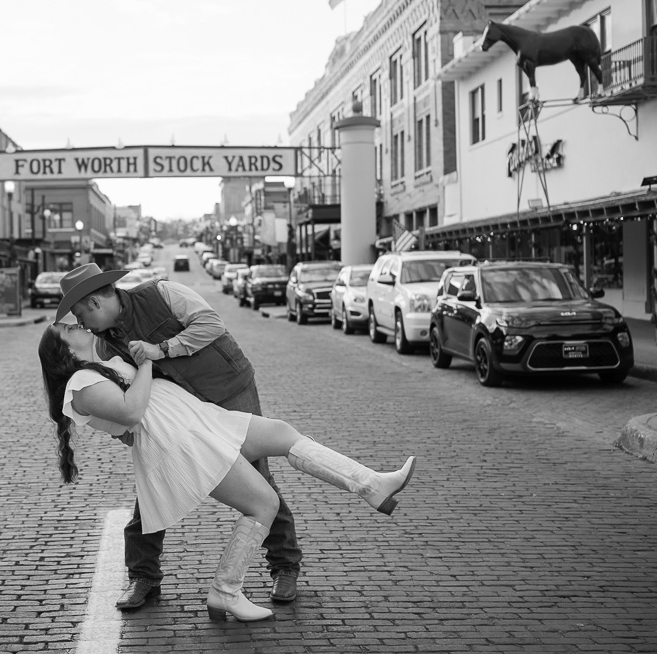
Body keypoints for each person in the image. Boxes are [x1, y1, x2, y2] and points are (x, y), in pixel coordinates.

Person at [38, 321, 416, 622]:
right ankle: (225, 590)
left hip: (200, 421)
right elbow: (132, 412)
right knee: (263, 503)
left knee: (283, 433)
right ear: (64, 350)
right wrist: (146, 364)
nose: (77, 326)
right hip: (182, 442)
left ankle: (371, 485)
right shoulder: (80, 385)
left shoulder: (97, 366)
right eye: (68, 329)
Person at [55, 263, 302, 609]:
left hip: (228, 388)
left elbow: (211, 324)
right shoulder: (104, 348)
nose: (81, 325)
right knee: (153, 482)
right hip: (181, 412)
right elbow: (122, 395)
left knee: (256, 475)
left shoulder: (162, 292)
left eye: (80, 315)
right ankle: (143, 576)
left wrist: (163, 349)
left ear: (95, 302)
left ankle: (284, 565)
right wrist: (125, 431)